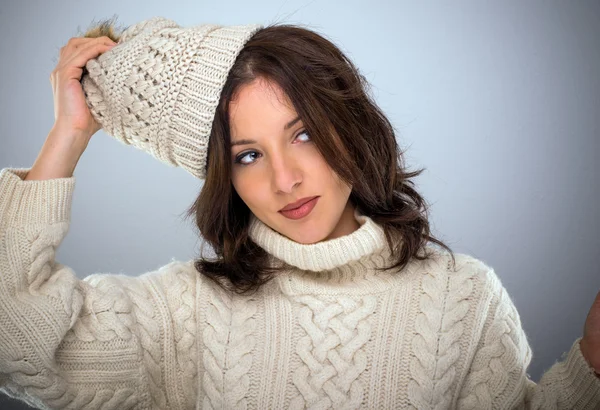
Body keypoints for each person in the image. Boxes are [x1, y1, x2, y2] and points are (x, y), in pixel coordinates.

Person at [0, 15, 599, 410]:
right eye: (249, 154)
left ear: (350, 126)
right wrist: (69, 134)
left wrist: (590, 370)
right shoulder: (182, 313)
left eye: (305, 134)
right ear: (224, 179)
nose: (284, 179)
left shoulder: (464, 297)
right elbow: (14, 342)